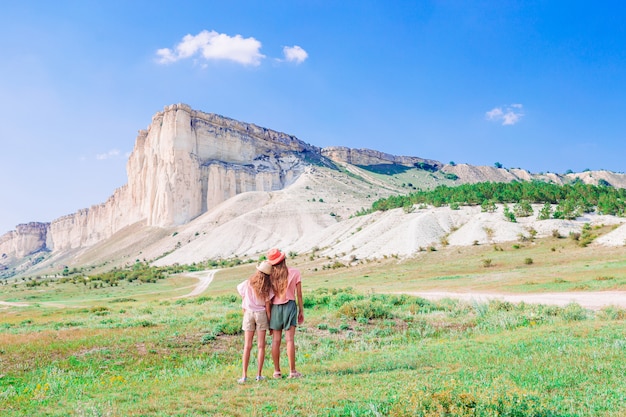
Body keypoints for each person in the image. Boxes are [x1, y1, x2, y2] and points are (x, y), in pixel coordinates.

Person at [266, 248, 304, 379]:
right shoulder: (295, 272)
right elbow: (299, 294)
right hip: (290, 306)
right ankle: (292, 371)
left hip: (275, 308)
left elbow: (268, 297)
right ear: (284, 260)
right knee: (289, 340)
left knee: (276, 341)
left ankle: (277, 371)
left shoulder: (270, 276)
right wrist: (301, 311)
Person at [236, 260, 274, 384]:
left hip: (248, 313)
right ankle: (258, 375)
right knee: (261, 346)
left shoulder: (247, 283)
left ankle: (244, 376)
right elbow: (268, 308)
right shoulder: (267, 287)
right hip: (261, 314)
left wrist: (245, 310)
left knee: (247, 346)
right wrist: (270, 324)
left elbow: (243, 297)